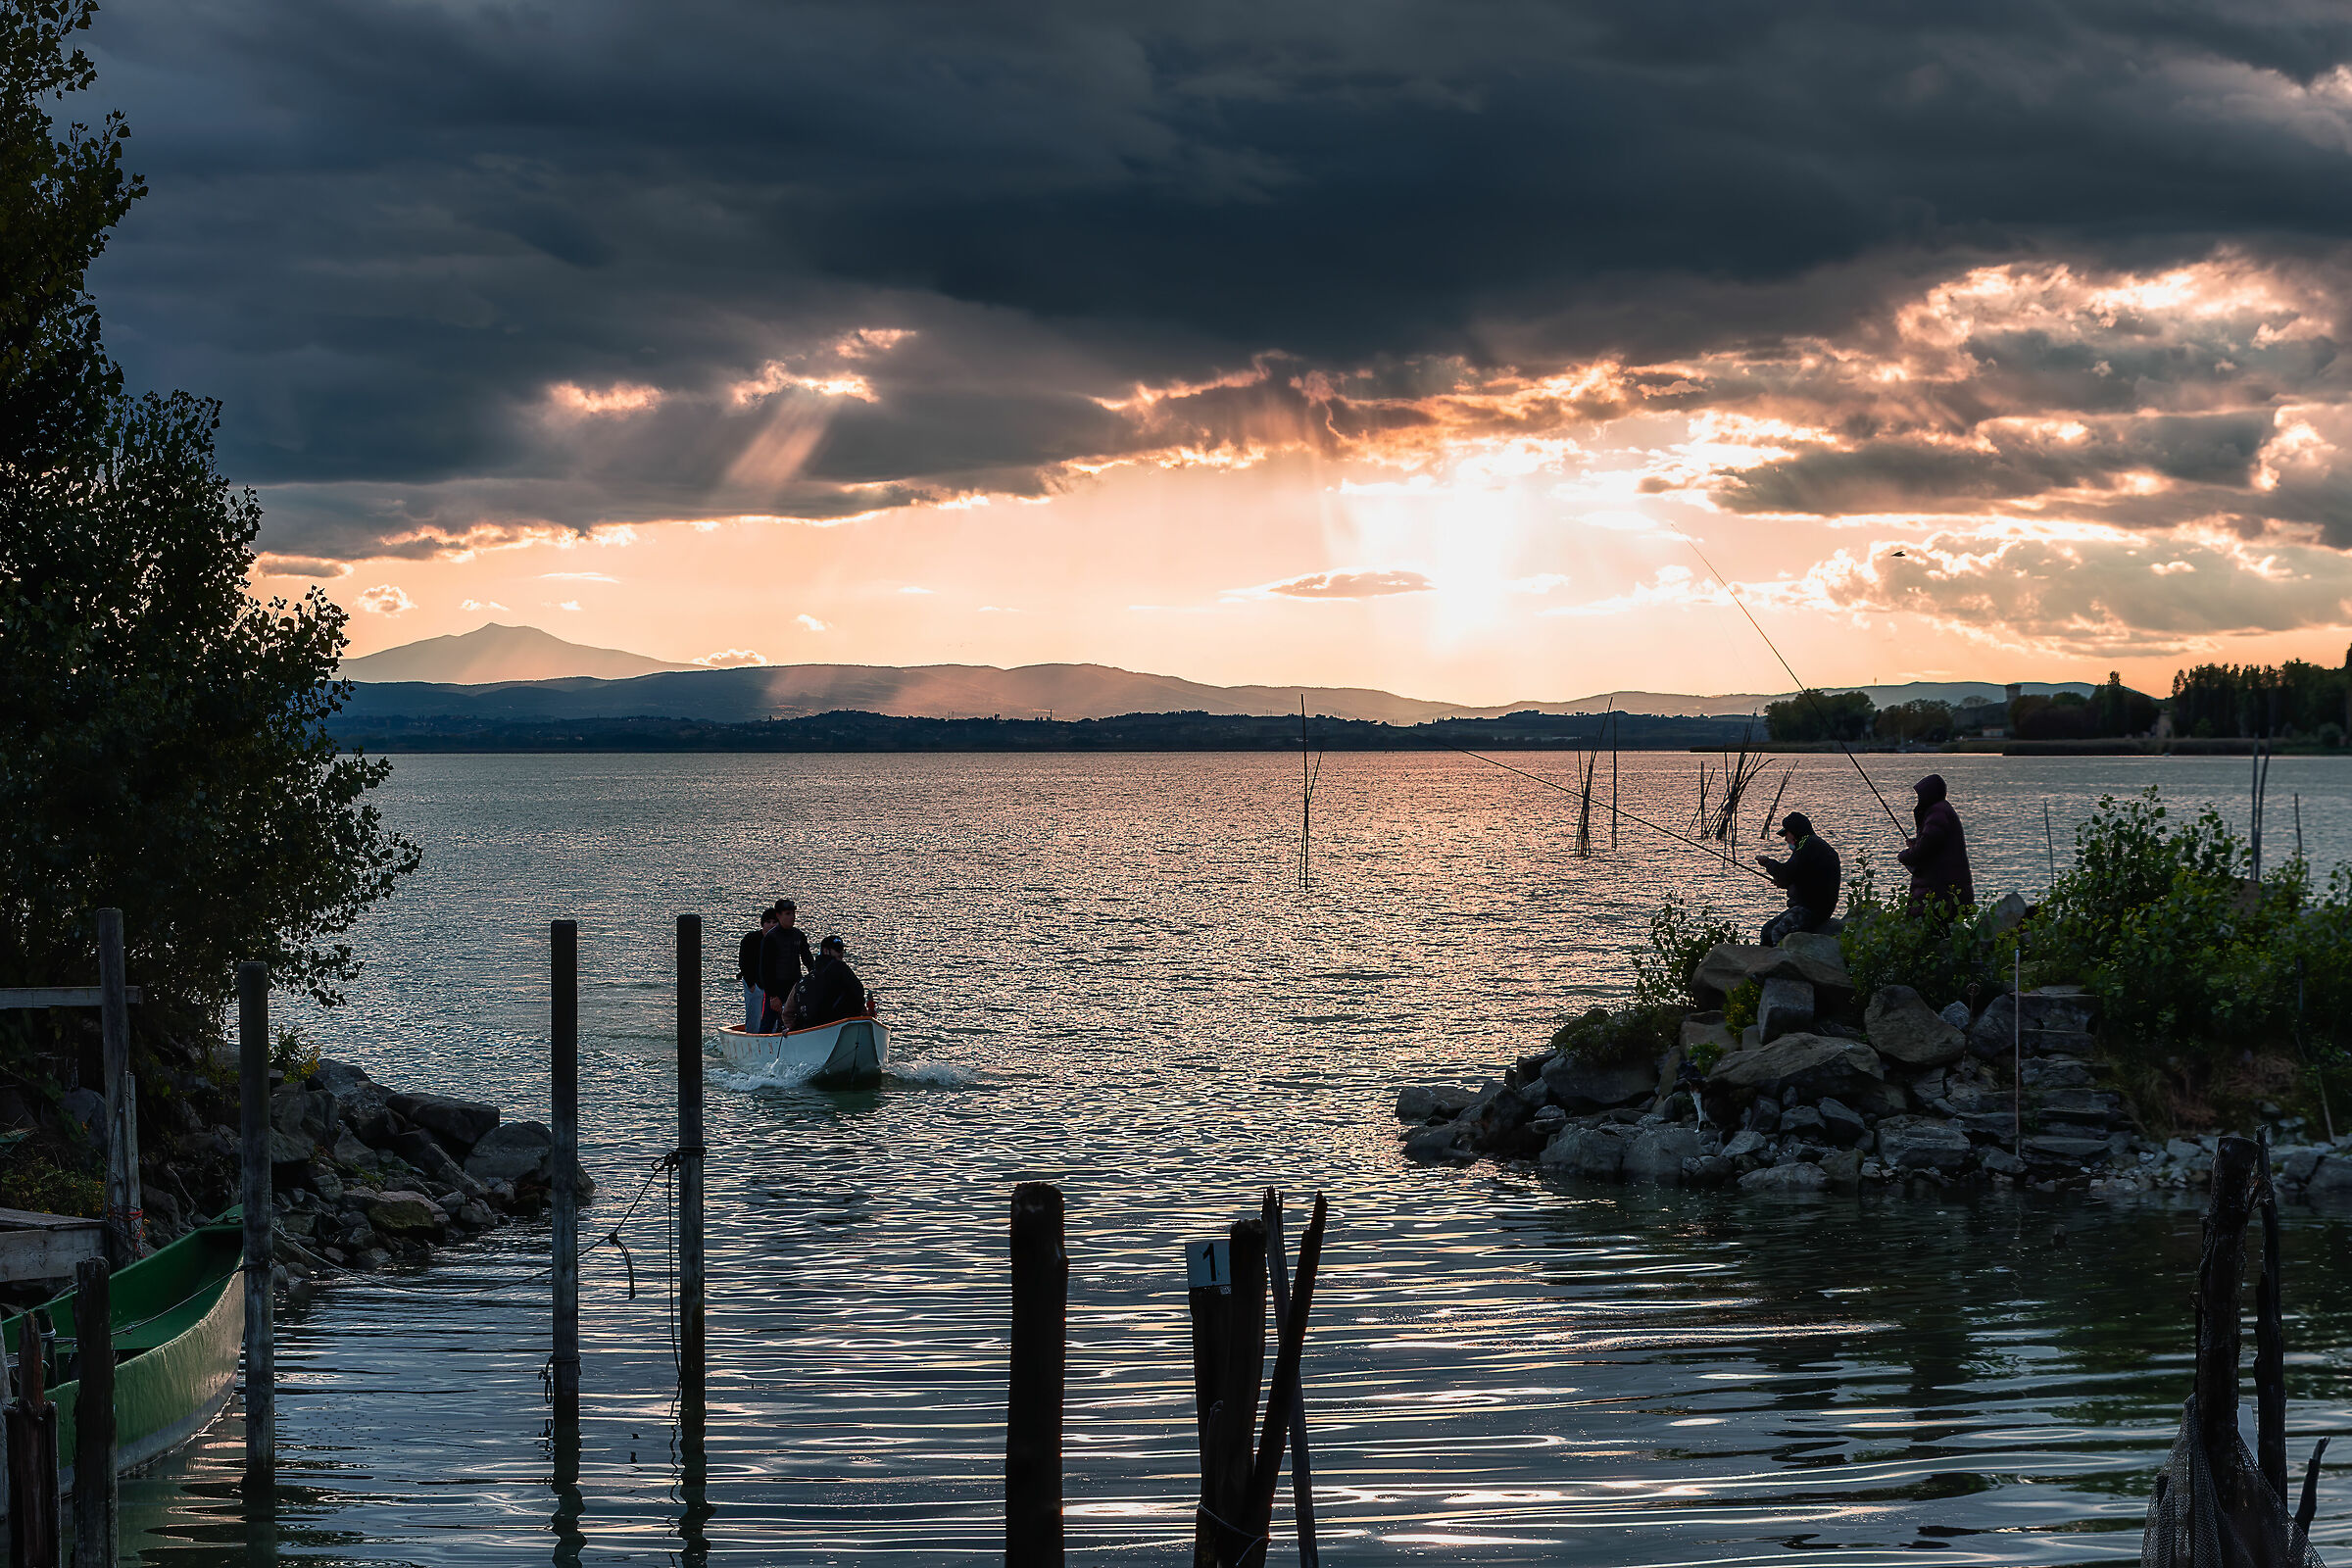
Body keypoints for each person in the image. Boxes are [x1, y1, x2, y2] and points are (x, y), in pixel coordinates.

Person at [1755, 811, 1841, 946]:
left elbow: (1785, 872)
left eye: (1786, 834)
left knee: (1778, 932)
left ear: (1795, 832)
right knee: (1767, 930)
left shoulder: (1807, 845)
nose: (1785, 839)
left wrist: (1767, 863)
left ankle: (1781, 958)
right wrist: (1787, 884)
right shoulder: (1813, 845)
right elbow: (1805, 876)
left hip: (1813, 909)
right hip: (1813, 905)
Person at [1897, 773, 1975, 915]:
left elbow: (1925, 849)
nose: (1918, 799)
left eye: (1920, 795)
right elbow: (1936, 843)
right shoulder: (1942, 810)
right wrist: (1917, 842)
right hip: (1946, 888)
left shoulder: (1937, 813)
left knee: (1931, 924)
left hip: (1939, 890)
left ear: (1928, 794)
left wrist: (1904, 856)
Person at [758, 900, 814, 1033]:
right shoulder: (771, 938)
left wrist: (815, 975)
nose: (792, 917)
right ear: (778, 915)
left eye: (793, 914)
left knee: (797, 1020)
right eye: (788, 914)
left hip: (794, 986)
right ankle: (761, 1042)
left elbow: (808, 959)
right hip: (776, 988)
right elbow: (765, 969)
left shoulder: (798, 935)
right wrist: (772, 996)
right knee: (768, 1021)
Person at [793, 934, 868, 1029]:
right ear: (825, 951)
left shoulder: (812, 973)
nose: (841, 953)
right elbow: (858, 990)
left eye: (842, 949)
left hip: (811, 1025)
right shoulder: (840, 967)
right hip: (836, 1023)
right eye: (837, 949)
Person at [737, 905, 779, 1031]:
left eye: (774, 922)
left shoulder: (780, 940)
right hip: (754, 983)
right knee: (754, 1016)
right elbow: (743, 962)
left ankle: (772, 1036)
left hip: (773, 984)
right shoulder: (750, 939)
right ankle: (752, 1036)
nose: (771, 925)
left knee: (774, 1017)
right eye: (768, 922)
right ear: (762, 924)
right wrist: (751, 985)